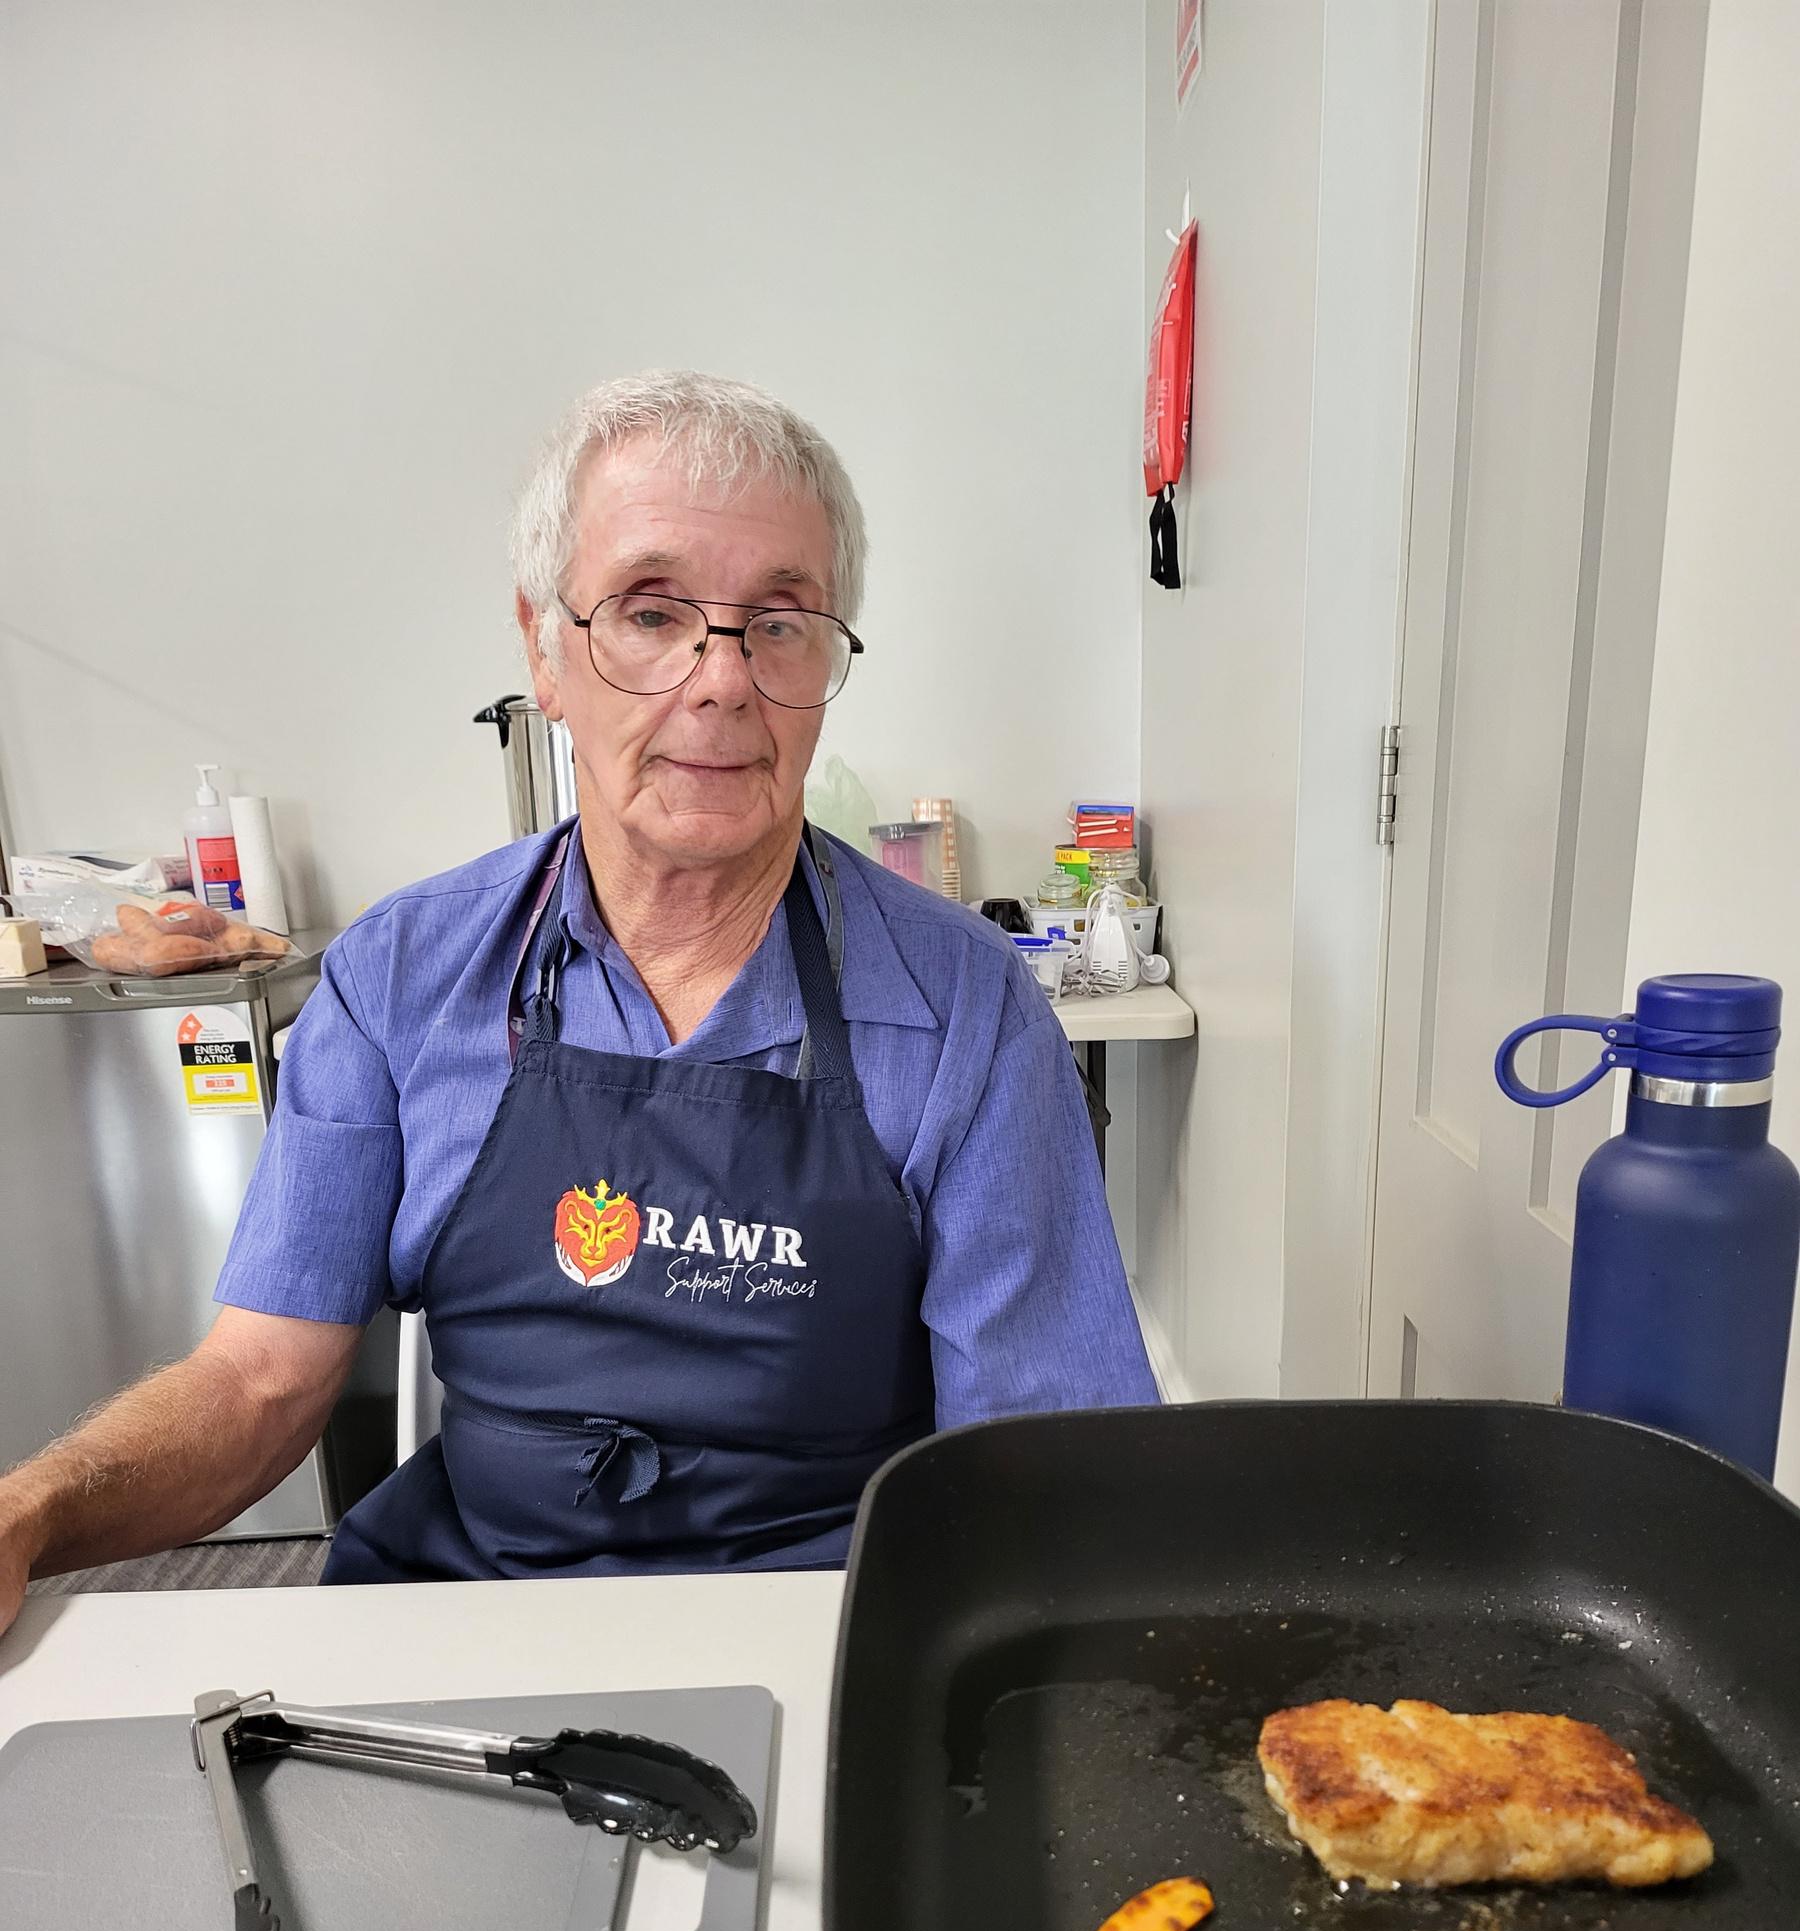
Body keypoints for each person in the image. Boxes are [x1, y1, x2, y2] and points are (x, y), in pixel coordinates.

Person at [0, 370, 1155, 1627]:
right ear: (544, 651)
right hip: (477, 1630)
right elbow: (259, 1384)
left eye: (781, 623)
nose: (723, 680)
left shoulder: (965, 1009)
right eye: (652, 612)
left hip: (825, 1634)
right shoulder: (401, 980)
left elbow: (1035, 1467)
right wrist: (32, 1510)